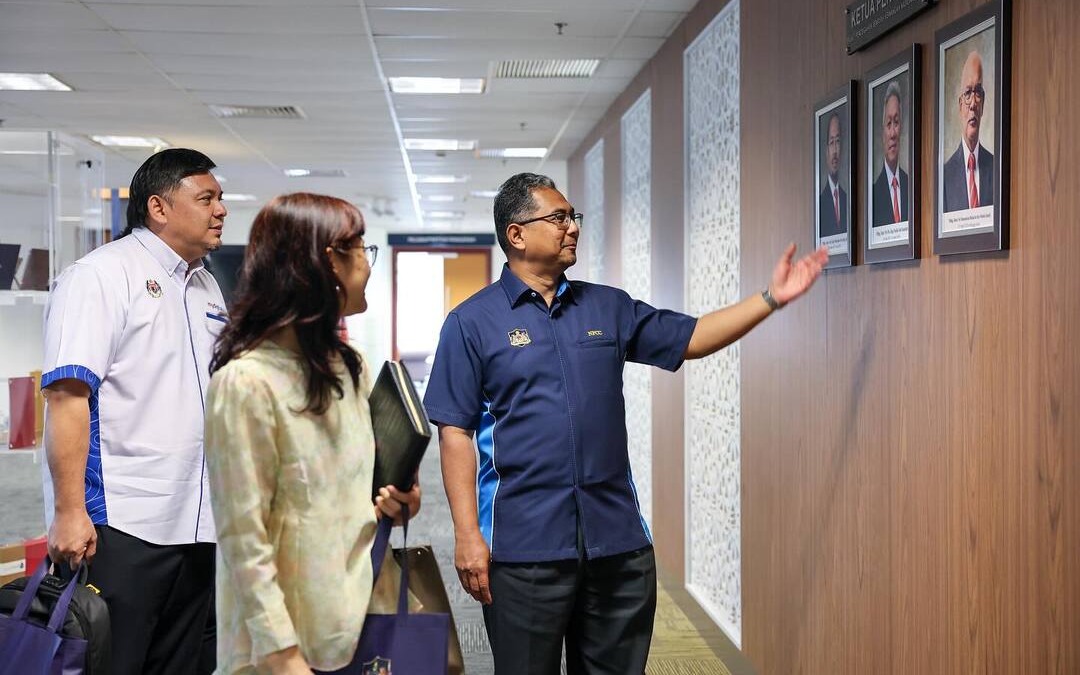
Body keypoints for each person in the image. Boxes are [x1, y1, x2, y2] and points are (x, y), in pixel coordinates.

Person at [423, 173, 828, 674]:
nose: (573, 227)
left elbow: (692, 337)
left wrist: (771, 298)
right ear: (517, 234)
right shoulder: (470, 323)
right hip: (524, 549)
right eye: (558, 217)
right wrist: (467, 535)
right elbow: (455, 432)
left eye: (573, 217)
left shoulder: (607, 306)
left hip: (616, 544)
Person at [204, 192, 421, 675]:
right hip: (284, 645)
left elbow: (361, 489)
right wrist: (284, 656)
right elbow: (243, 541)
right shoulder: (247, 383)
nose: (368, 264)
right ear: (326, 262)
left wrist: (399, 499)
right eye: (361, 249)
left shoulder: (350, 367)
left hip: (360, 620)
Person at [41, 148, 228, 674]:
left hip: (197, 524)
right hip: (122, 525)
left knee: (183, 666)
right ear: (158, 208)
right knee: (112, 664)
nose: (221, 210)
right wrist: (69, 512)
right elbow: (67, 397)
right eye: (206, 198)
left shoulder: (206, 284)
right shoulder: (100, 275)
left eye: (221, 199)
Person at [943, 50, 994, 212]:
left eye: (978, 92)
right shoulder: (944, 176)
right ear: (960, 106)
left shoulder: (996, 168)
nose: (972, 103)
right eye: (967, 93)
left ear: (983, 104)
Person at [872, 81, 910, 227]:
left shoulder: (911, 187)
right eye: (888, 124)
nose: (893, 133)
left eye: (896, 122)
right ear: (883, 133)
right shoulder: (873, 194)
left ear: (901, 128)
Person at [818, 111, 847, 237]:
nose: (835, 150)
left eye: (838, 141)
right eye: (831, 143)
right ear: (826, 151)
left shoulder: (847, 200)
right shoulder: (820, 203)